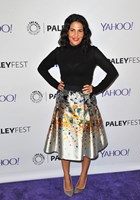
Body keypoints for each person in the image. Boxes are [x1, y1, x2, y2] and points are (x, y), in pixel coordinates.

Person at [38, 13, 119, 197]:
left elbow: (112, 72)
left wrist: (96, 89)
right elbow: (42, 68)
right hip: (65, 105)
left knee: (86, 143)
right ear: (67, 32)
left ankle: (83, 176)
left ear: (85, 33)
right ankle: (66, 177)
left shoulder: (92, 52)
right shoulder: (59, 52)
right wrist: (55, 85)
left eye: (79, 31)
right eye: (72, 30)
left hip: (85, 104)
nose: (75, 35)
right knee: (65, 144)